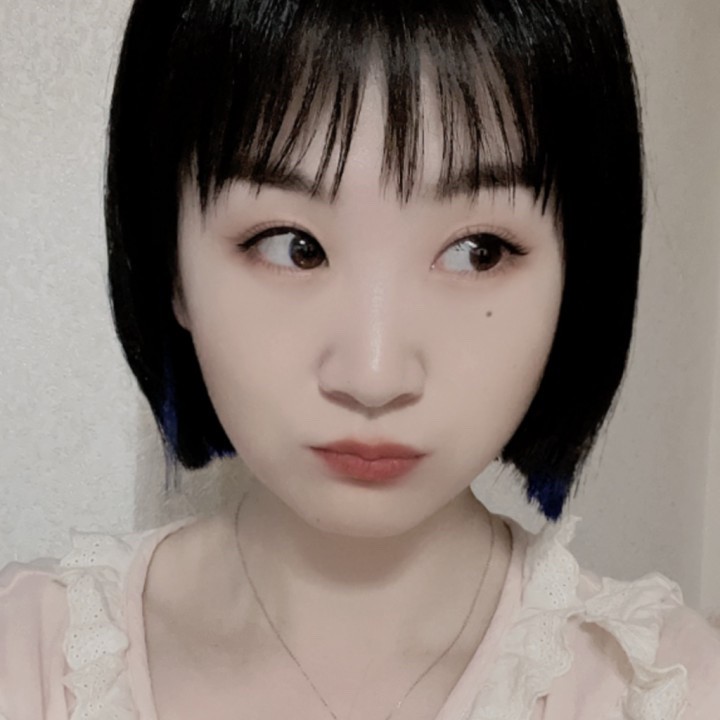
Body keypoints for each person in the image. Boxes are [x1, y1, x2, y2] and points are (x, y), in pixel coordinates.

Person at [1, 0, 719, 718]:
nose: (374, 377)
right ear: (172, 268)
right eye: (293, 247)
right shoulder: (29, 660)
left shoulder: (667, 689)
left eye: (478, 252)